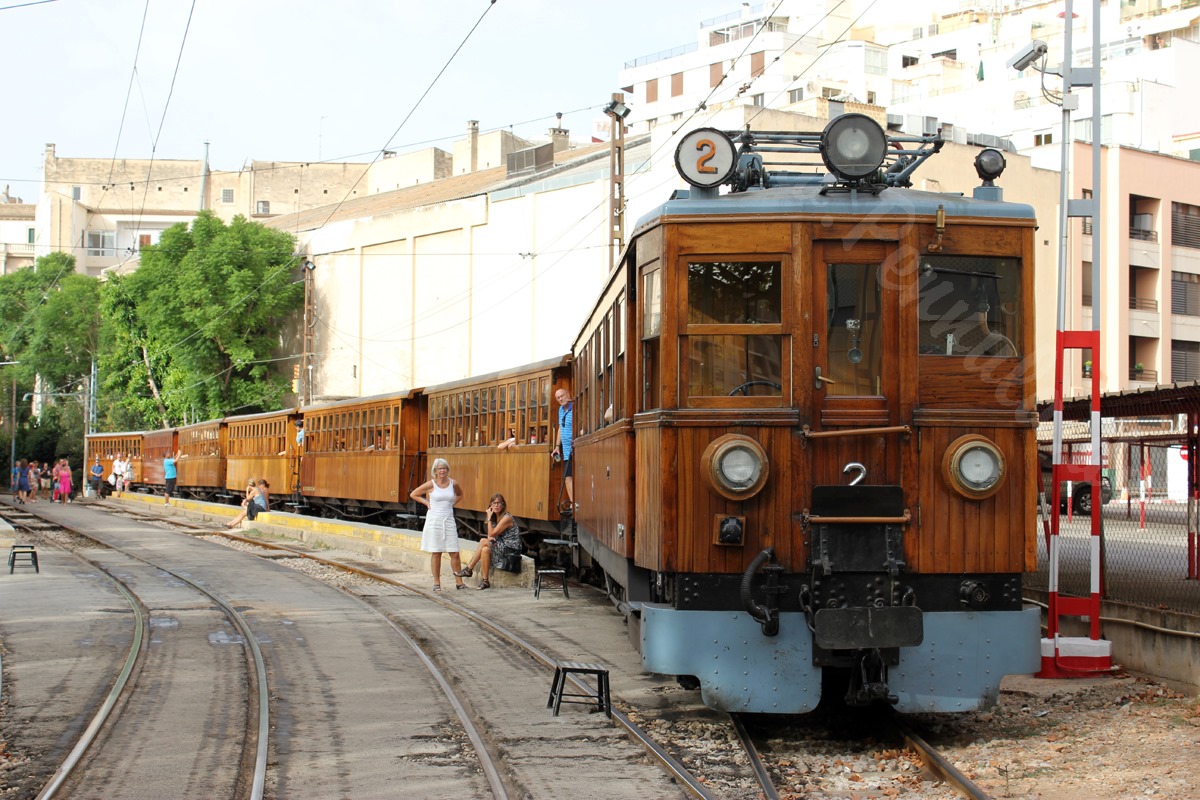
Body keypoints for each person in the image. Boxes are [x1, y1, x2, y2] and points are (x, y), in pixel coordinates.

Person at [410, 458, 466, 591]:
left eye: (444, 468)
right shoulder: (431, 484)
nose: (442, 471)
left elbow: (459, 495)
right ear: (435, 471)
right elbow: (414, 494)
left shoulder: (453, 483)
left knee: (454, 552)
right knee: (436, 552)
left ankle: (459, 582)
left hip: (448, 519)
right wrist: (426, 502)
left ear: (448, 470)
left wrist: (452, 503)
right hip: (434, 520)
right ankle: (436, 582)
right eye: (440, 468)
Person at [456, 493, 521, 590]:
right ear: (490, 505)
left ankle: (469, 569)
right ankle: (485, 581)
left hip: (510, 550)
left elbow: (490, 535)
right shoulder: (495, 517)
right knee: (485, 549)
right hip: (502, 547)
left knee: (483, 541)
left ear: (503, 505)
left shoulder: (506, 517)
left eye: (499, 503)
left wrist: (489, 517)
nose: (496, 505)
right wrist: (491, 518)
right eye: (494, 503)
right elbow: (490, 538)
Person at [553, 388, 575, 510]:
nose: (561, 399)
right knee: (567, 477)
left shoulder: (575, 409)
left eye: (562, 395)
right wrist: (557, 447)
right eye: (558, 398)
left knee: (575, 476)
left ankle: (576, 505)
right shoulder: (561, 410)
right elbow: (561, 428)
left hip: (576, 448)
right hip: (566, 450)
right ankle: (572, 503)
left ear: (568, 394)